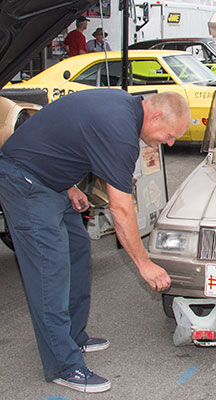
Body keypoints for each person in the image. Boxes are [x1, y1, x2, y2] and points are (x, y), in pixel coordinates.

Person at [0, 90, 190, 393]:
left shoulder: (125, 108)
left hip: (52, 181)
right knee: (50, 271)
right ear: (154, 116)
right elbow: (121, 208)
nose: (169, 143)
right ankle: (63, 365)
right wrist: (144, 264)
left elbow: (69, 139)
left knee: (77, 250)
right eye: (169, 135)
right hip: (25, 180)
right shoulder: (121, 132)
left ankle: (72, 335)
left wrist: (70, 186)